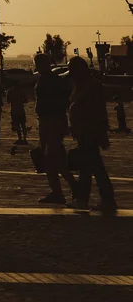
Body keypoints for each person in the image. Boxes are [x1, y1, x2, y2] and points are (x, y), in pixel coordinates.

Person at [67, 57, 117, 212]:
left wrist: (102, 133)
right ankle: (92, 199)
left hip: (90, 131)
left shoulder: (92, 86)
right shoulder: (82, 85)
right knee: (90, 166)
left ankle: (96, 199)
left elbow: (99, 112)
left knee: (92, 166)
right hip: (84, 131)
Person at [33, 53, 71, 205]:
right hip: (46, 120)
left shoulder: (53, 80)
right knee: (51, 157)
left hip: (53, 120)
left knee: (51, 157)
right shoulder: (45, 79)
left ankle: (67, 188)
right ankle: (59, 190)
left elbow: (62, 100)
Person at [6, 80, 30, 145]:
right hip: (21, 109)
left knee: (17, 125)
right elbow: (26, 100)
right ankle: (24, 139)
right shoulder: (21, 91)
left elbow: (8, 101)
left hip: (14, 110)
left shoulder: (10, 91)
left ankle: (20, 139)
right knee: (23, 125)